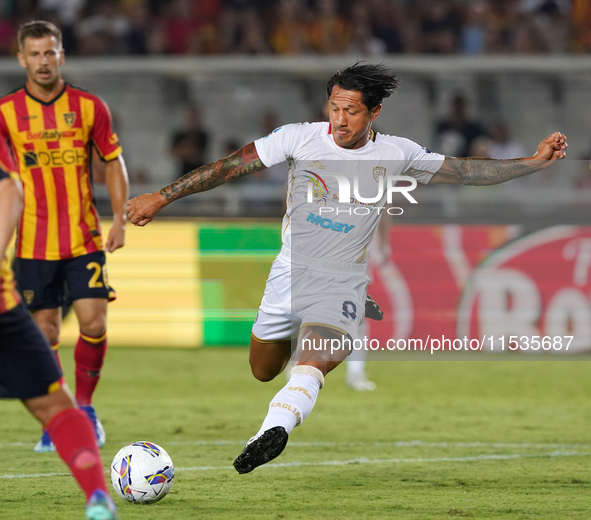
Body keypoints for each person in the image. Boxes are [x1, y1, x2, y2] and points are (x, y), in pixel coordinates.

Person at [127, 63, 567, 474]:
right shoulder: (298, 137)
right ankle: (289, 388)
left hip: (343, 279)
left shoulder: (398, 153)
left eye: (351, 111)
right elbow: (229, 166)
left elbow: (468, 171)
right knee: (263, 370)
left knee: (312, 363)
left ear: (373, 112)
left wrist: (534, 161)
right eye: (334, 108)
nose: (340, 119)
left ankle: (271, 430)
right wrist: (161, 197)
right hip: (289, 273)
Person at [0, 20, 129, 451]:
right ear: (21, 59)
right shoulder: (5, 114)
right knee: (47, 335)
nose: (43, 61)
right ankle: (60, 415)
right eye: (34, 54)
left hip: (83, 239)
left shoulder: (90, 106)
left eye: (50, 52)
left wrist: (119, 219)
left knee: (94, 320)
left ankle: (87, 409)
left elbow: (112, 160)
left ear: (61, 55)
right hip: (33, 244)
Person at [0, 151, 118, 520]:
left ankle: (88, 405)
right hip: (4, 304)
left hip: (76, 244)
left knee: (92, 325)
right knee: (55, 407)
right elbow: (11, 192)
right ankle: (98, 496)